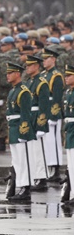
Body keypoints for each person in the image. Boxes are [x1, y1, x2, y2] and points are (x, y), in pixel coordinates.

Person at [6, 62, 35, 202]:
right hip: (13, 128)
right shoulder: (13, 90)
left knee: (24, 160)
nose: (7, 75)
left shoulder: (23, 91)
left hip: (21, 129)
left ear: (17, 74)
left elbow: (25, 114)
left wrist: (24, 132)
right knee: (17, 161)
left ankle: (26, 188)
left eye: (10, 73)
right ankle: (20, 186)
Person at [25, 54, 49, 191]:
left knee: (39, 149)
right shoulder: (29, 82)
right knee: (32, 150)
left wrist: (41, 124)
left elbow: (44, 105)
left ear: (36, 66)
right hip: (30, 116)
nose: (27, 68)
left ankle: (41, 178)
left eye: (30, 65)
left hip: (37, 117)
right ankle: (35, 175)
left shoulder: (42, 82)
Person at [41, 47, 65, 182]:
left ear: (53, 59)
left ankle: (55, 170)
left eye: (46, 58)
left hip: (52, 112)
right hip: (44, 112)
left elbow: (57, 97)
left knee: (53, 141)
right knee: (46, 142)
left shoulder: (56, 75)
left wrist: (54, 115)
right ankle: (48, 168)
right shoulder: (44, 75)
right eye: (43, 59)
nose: (44, 61)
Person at [61, 65, 74, 205]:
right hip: (70, 130)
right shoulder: (69, 92)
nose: (66, 78)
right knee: (71, 165)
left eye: (69, 76)